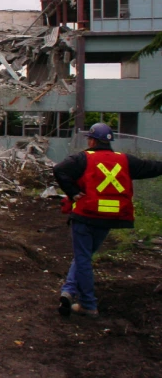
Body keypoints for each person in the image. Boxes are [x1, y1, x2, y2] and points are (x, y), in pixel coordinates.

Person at [53, 122, 162, 318]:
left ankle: (88, 304)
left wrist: (72, 193)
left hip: (86, 215)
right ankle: (69, 290)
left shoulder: (82, 158)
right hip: (111, 217)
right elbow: (151, 167)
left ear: (92, 140)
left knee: (83, 258)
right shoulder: (125, 160)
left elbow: (59, 170)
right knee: (84, 256)